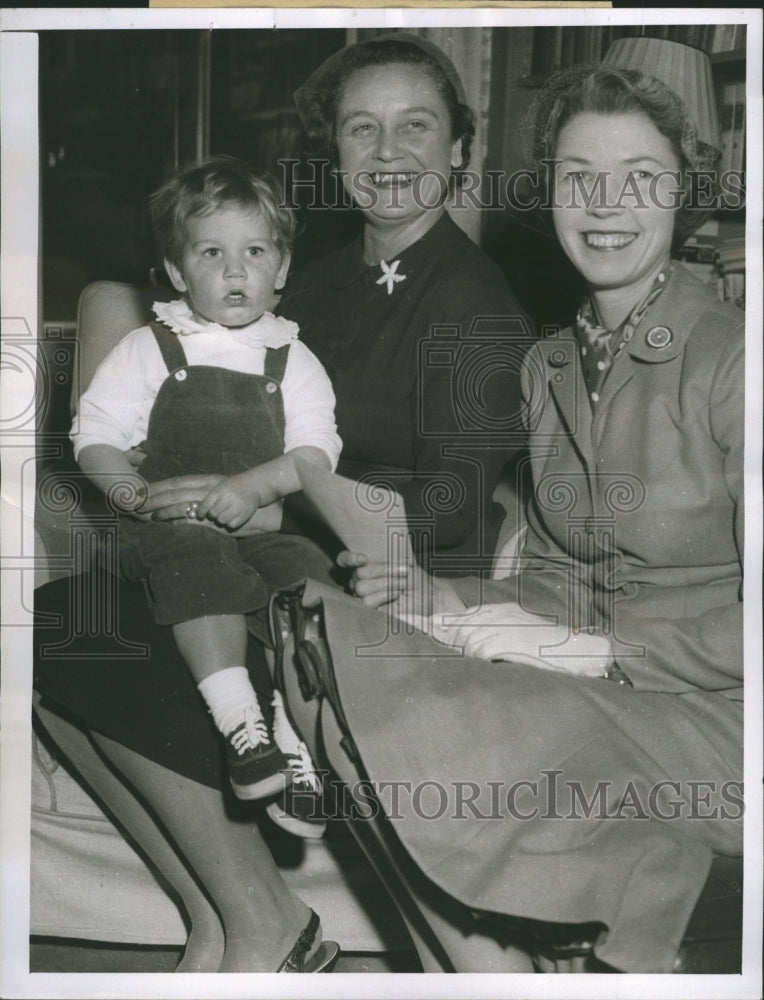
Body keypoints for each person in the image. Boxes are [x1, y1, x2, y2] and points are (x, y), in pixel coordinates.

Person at [34, 35, 526, 973]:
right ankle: (225, 912)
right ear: (335, 153)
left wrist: (275, 506)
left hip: (394, 580)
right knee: (58, 624)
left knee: (78, 633)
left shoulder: (478, 304)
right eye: (361, 128)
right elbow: (189, 325)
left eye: (415, 127)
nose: (387, 153)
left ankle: (267, 919)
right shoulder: (318, 276)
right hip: (258, 550)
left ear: (460, 148)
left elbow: (453, 510)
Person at [327, 52, 744, 973]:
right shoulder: (549, 365)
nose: (606, 205)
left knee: (476, 727)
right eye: (578, 178)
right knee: (339, 645)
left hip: (725, 716)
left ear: (687, 194)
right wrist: (441, 596)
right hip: (603, 691)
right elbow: (558, 575)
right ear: (546, 195)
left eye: (640, 180)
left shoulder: (734, 361)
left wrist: (601, 652)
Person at [72, 158, 341, 813]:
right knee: (197, 556)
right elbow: (94, 434)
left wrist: (255, 486)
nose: (235, 270)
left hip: (259, 526)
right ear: (176, 272)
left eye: (255, 252)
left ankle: (298, 740)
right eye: (211, 252)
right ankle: (241, 728)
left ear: (280, 270)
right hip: (165, 532)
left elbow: (316, 453)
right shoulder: (150, 348)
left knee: (313, 583)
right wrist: (130, 493)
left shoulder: (295, 358)